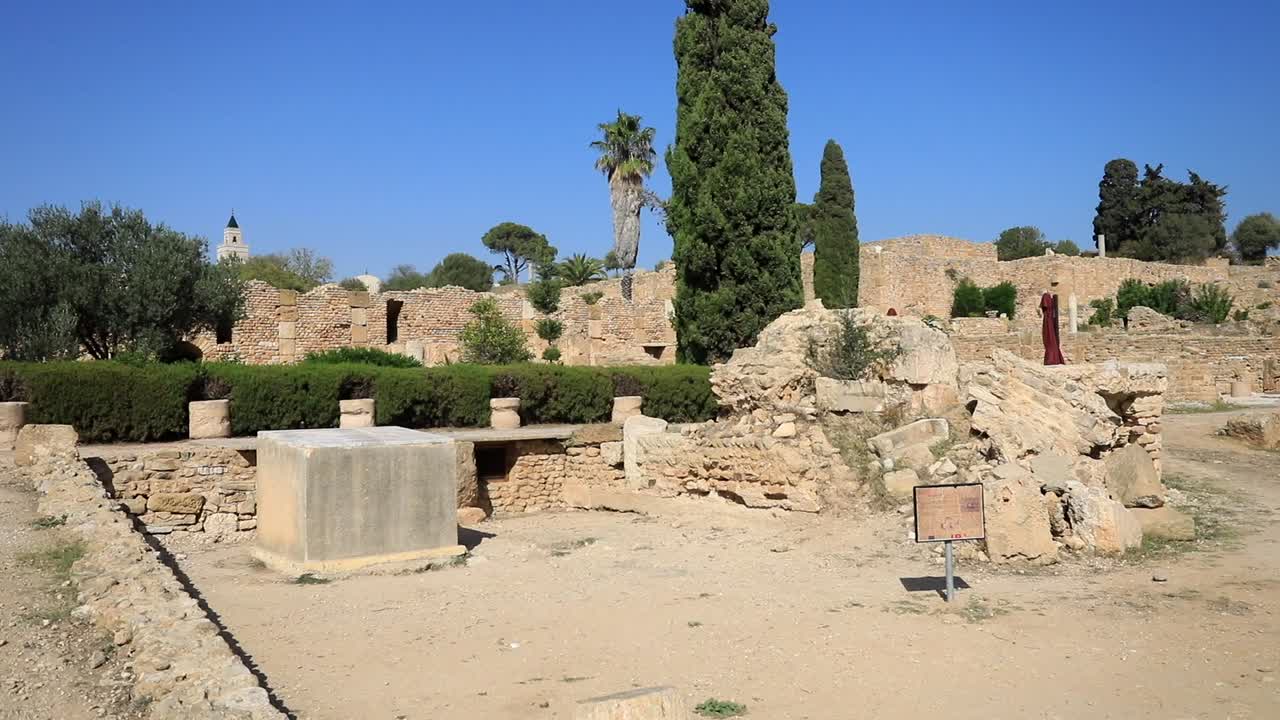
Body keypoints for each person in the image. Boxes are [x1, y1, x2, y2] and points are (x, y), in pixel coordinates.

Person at [1039, 285, 1065, 366]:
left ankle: (1051, 359)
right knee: (1051, 338)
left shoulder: (1045, 296)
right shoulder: (1049, 298)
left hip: (1048, 319)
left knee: (1048, 338)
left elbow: (1042, 308)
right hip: (1050, 319)